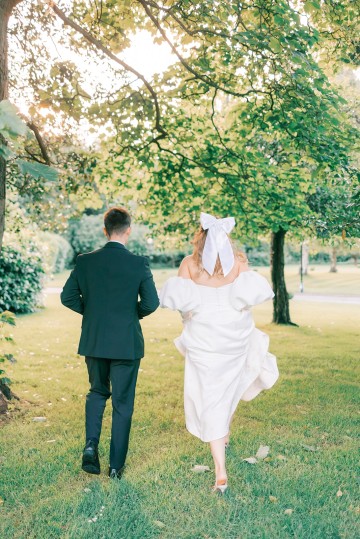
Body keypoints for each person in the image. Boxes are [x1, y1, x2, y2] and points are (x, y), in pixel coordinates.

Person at [159, 212, 279, 493]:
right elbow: (247, 300)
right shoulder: (238, 263)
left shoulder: (190, 264)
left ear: (199, 236)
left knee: (210, 396)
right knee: (230, 384)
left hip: (204, 336)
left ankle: (221, 472)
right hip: (233, 335)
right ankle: (222, 432)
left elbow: (183, 305)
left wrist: (192, 317)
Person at [61, 207, 159, 479]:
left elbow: (67, 297)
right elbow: (151, 303)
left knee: (96, 392)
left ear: (105, 230)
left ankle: (91, 444)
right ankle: (115, 467)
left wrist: (94, 314)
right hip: (126, 343)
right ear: (128, 230)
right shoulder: (139, 263)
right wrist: (130, 315)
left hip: (94, 341)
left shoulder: (85, 261)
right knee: (122, 403)